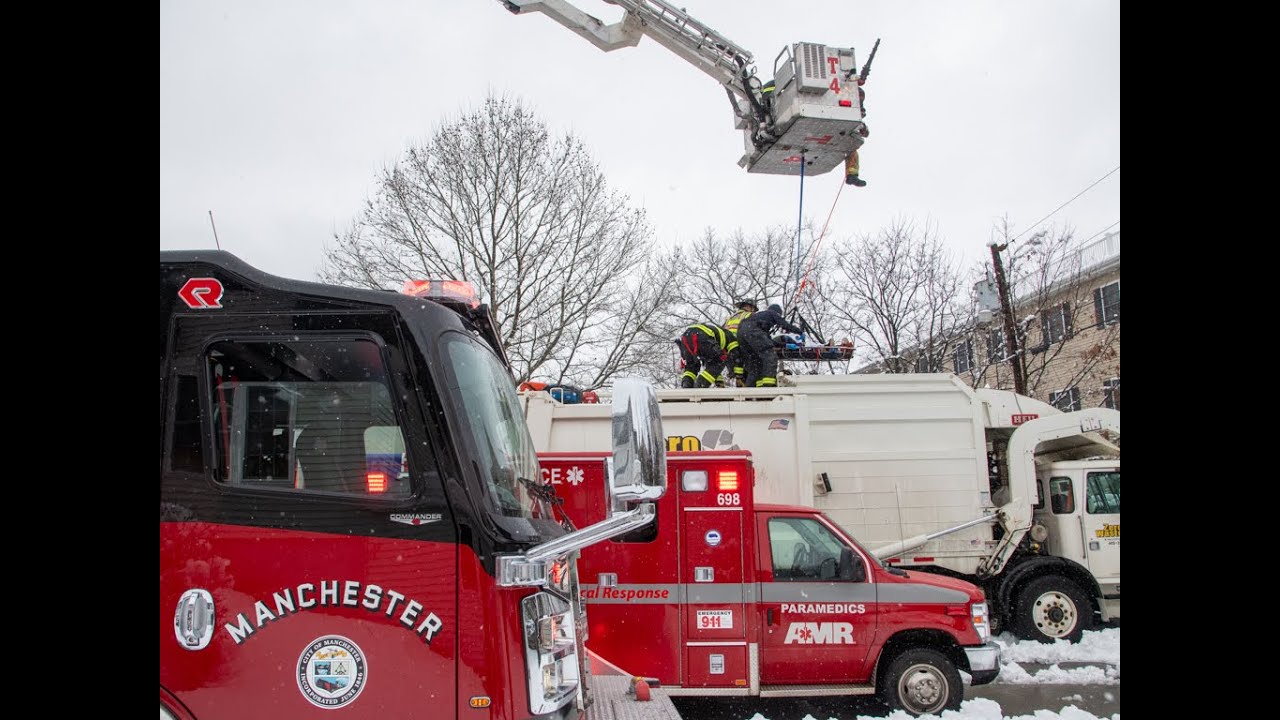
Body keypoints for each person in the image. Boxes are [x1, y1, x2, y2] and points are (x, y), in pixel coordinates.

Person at [737, 303, 804, 388]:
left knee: (756, 364)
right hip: (751, 331)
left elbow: (766, 340)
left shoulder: (758, 318)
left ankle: (751, 389)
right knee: (770, 357)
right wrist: (799, 332)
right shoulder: (772, 313)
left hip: (741, 334)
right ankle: (768, 386)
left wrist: (786, 345)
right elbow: (785, 325)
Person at [674, 323, 731, 388]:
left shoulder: (715, 334)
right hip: (700, 337)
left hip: (686, 338)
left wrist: (719, 382)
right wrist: (735, 373)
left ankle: (686, 385)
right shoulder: (729, 337)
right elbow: (718, 363)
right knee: (720, 361)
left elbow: (711, 367)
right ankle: (700, 385)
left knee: (691, 366)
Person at [722, 299, 757, 386]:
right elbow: (753, 329)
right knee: (747, 363)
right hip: (738, 341)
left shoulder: (731, 316)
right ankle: (740, 379)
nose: (753, 311)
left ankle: (737, 376)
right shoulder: (749, 315)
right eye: (753, 308)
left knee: (737, 362)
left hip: (726, 343)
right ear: (748, 306)